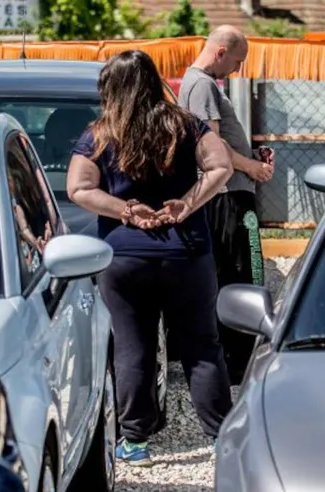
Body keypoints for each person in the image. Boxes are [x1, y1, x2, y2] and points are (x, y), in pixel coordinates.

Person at [67, 50, 234, 467]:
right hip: (186, 252)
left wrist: (124, 210)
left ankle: (135, 441)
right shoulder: (185, 124)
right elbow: (222, 166)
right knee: (201, 345)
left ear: (112, 88)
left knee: (132, 347)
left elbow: (79, 188)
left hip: (124, 258)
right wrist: (187, 204)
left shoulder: (100, 134)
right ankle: (221, 437)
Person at [178, 25, 272, 384]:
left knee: (231, 275)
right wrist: (253, 168)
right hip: (227, 197)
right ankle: (236, 365)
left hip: (229, 194)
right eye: (237, 61)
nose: (237, 70)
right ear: (220, 52)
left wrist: (252, 160)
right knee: (243, 277)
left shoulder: (200, 84)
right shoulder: (201, 86)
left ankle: (231, 360)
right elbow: (213, 149)